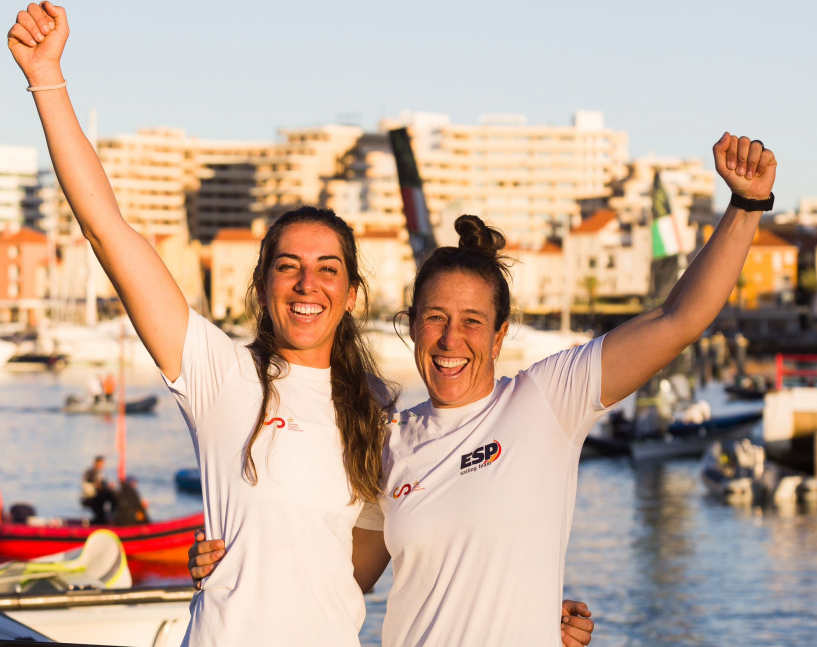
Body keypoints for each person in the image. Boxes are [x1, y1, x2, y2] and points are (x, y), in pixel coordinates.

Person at [192, 133, 776, 645]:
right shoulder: (387, 437)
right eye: (435, 318)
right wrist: (229, 560)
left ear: (499, 336)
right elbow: (333, 577)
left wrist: (746, 206)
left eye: (472, 321)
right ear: (412, 325)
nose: (451, 339)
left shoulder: (549, 400)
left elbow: (679, 320)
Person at [81, 456, 115, 524]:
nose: (103, 465)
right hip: (91, 498)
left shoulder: (100, 473)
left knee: (114, 496)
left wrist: (109, 487)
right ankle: (97, 523)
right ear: (97, 463)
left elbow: (103, 485)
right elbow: (98, 486)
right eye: (101, 463)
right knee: (101, 516)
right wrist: (107, 487)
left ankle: (110, 517)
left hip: (98, 496)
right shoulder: (91, 473)